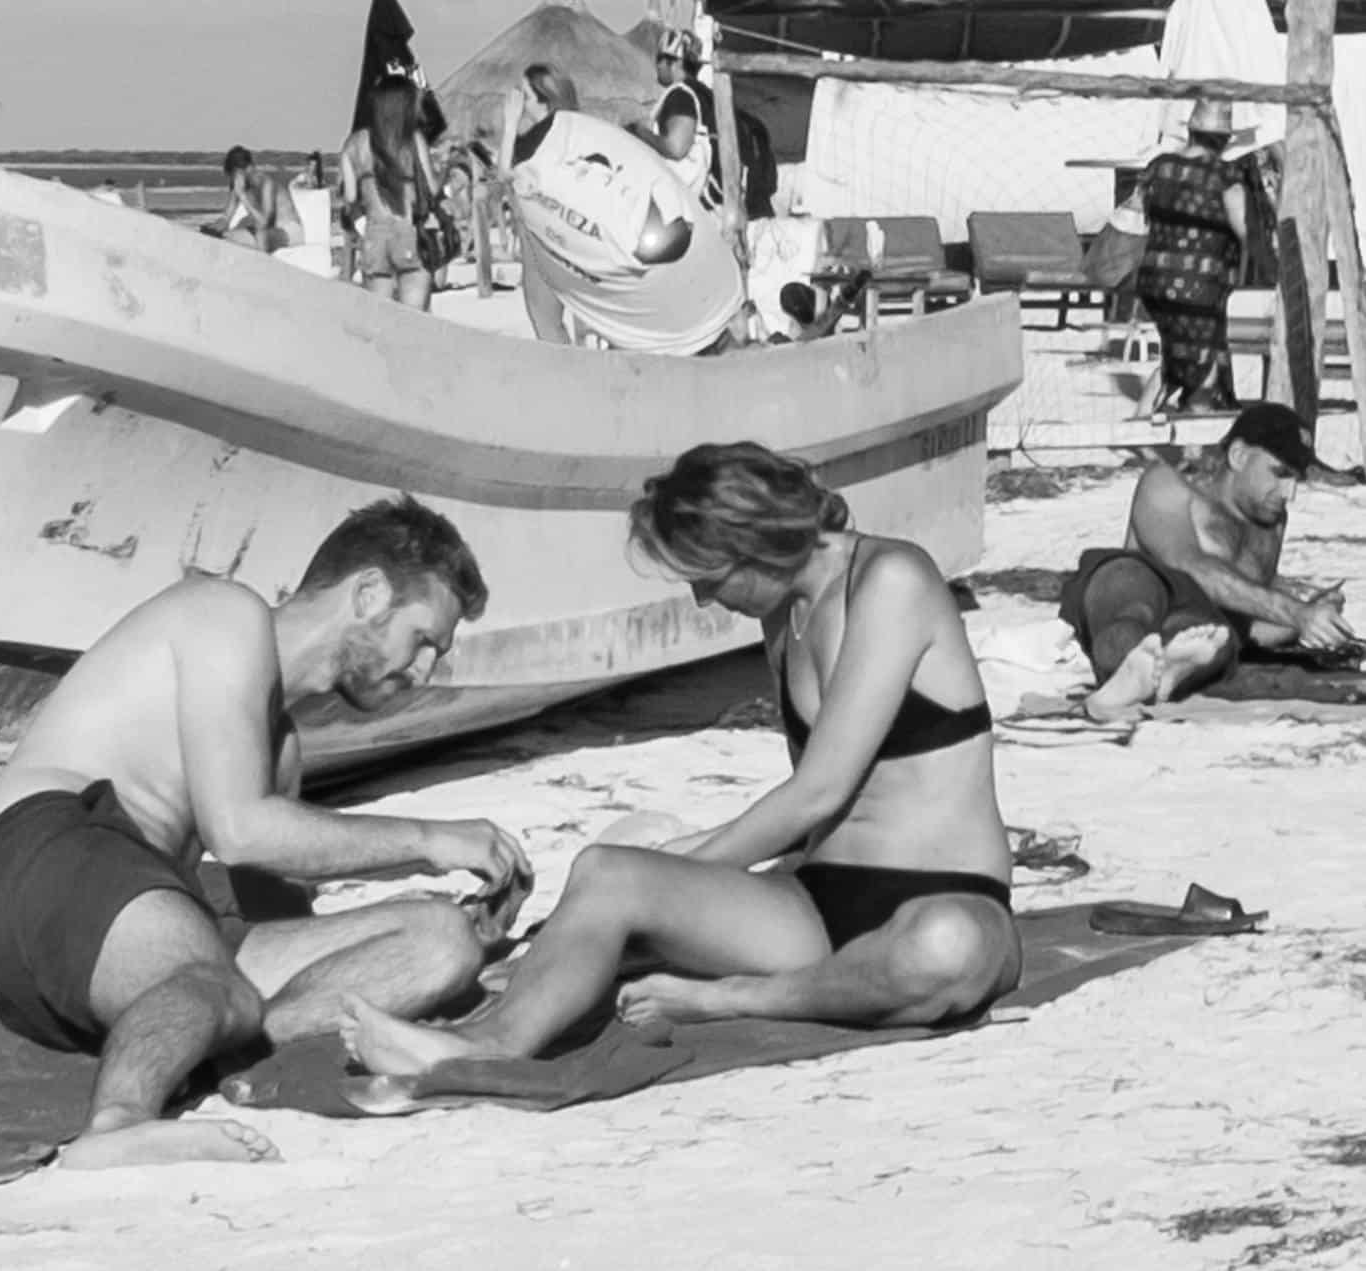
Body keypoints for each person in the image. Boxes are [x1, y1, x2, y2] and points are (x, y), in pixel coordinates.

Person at [344, 443, 1021, 1075]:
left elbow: (818, 792)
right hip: (818, 902)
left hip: (947, 893)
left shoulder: (893, 579)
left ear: (755, 542)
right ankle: (482, 1044)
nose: (703, 599)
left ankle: (733, 998)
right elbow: (811, 817)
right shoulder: (784, 612)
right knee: (606, 872)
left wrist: (683, 868)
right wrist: (597, 904)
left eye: (708, 577)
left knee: (944, 948)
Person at [0, 496, 532, 1168]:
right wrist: (428, 839)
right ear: (369, 592)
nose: (423, 672)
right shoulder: (227, 614)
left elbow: (277, 912)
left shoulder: (280, 743)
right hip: (55, 850)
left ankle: (205, 1027)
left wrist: (465, 936)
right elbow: (238, 831)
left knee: (440, 939)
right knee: (220, 984)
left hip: (129, 923)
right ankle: (118, 1121)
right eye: (423, 641)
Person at [1058, 403, 1358, 719]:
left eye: (1296, 479)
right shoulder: (1168, 486)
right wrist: (1296, 613)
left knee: (1217, 635)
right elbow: (1188, 565)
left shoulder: (1270, 523)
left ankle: (1155, 678)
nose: (1289, 493)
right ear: (1239, 456)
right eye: (1280, 473)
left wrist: (1308, 620)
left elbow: (1249, 622)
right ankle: (1128, 670)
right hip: (1139, 599)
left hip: (1194, 629)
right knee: (1127, 583)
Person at [500, 64, 746, 354]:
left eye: (524, 95)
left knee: (544, 314)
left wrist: (509, 122)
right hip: (602, 246)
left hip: (556, 234)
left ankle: (572, 377)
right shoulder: (582, 133)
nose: (517, 99)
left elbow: (507, 175)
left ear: (544, 101)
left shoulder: (540, 149)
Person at [1138, 98, 1251, 414]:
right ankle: (1195, 450)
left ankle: (1138, 422)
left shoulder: (1159, 167)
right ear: (1225, 139)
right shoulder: (1224, 176)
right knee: (1203, 369)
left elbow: (1146, 215)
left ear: (1190, 130)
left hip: (1153, 280)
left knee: (1178, 356)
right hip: (1197, 289)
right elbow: (1244, 229)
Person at [337, 72, 439, 310]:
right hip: (409, 232)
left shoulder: (354, 144)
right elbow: (433, 189)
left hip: (375, 236)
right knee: (415, 323)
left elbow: (350, 198)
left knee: (380, 324)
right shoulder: (413, 139)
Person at [627, 28, 724, 213]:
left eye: (659, 59)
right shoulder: (706, 95)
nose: (657, 66)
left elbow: (676, 148)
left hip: (688, 205)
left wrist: (640, 132)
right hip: (714, 202)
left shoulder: (681, 95)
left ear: (675, 62)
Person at [215, 145, 299, 253]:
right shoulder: (239, 182)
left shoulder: (267, 184)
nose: (235, 180)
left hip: (288, 231)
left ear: (248, 168)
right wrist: (215, 227)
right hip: (267, 230)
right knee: (233, 230)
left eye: (236, 175)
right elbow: (226, 218)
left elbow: (264, 222)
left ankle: (264, 265)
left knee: (258, 232)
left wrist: (242, 195)